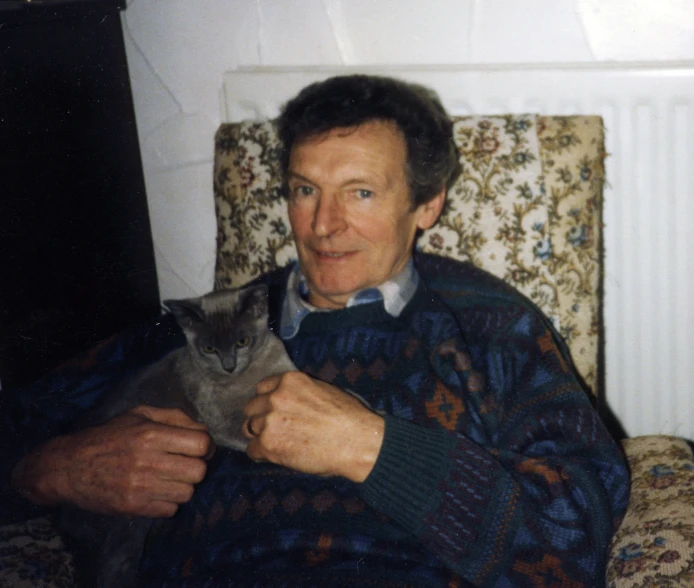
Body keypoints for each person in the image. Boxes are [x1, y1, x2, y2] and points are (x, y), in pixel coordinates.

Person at [4, 75, 629, 587]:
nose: (324, 225)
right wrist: (54, 467)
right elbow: (19, 427)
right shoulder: (212, 326)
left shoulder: (492, 325)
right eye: (306, 190)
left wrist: (373, 448)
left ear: (427, 204)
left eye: (359, 192)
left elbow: (578, 528)